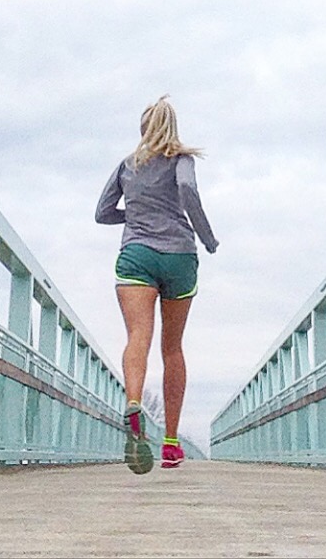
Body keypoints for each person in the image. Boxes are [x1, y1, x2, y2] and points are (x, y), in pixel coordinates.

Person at [95, 95, 219, 474]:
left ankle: (134, 402)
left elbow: (102, 213)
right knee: (172, 348)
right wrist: (207, 238)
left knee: (138, 336)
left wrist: (136, 214)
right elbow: (188, 191)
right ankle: (170, 444)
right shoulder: (182, 160)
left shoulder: (127, 165)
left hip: (136, 255)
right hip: (179, 256)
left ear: (143, 129)